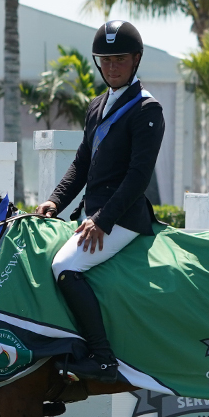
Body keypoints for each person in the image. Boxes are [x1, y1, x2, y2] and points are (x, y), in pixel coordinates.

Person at [37, 20, 165, 383]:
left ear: (136, 60)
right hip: (93, 213)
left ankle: (103, 358)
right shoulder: (96, 106)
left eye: (119, 59)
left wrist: (103, 220)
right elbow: (81, 163)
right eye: (105, 60)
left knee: (66, 266)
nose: (111, 66)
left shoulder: (147, 110)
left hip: (122, 217)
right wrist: (53, 202)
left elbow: (138, 177)